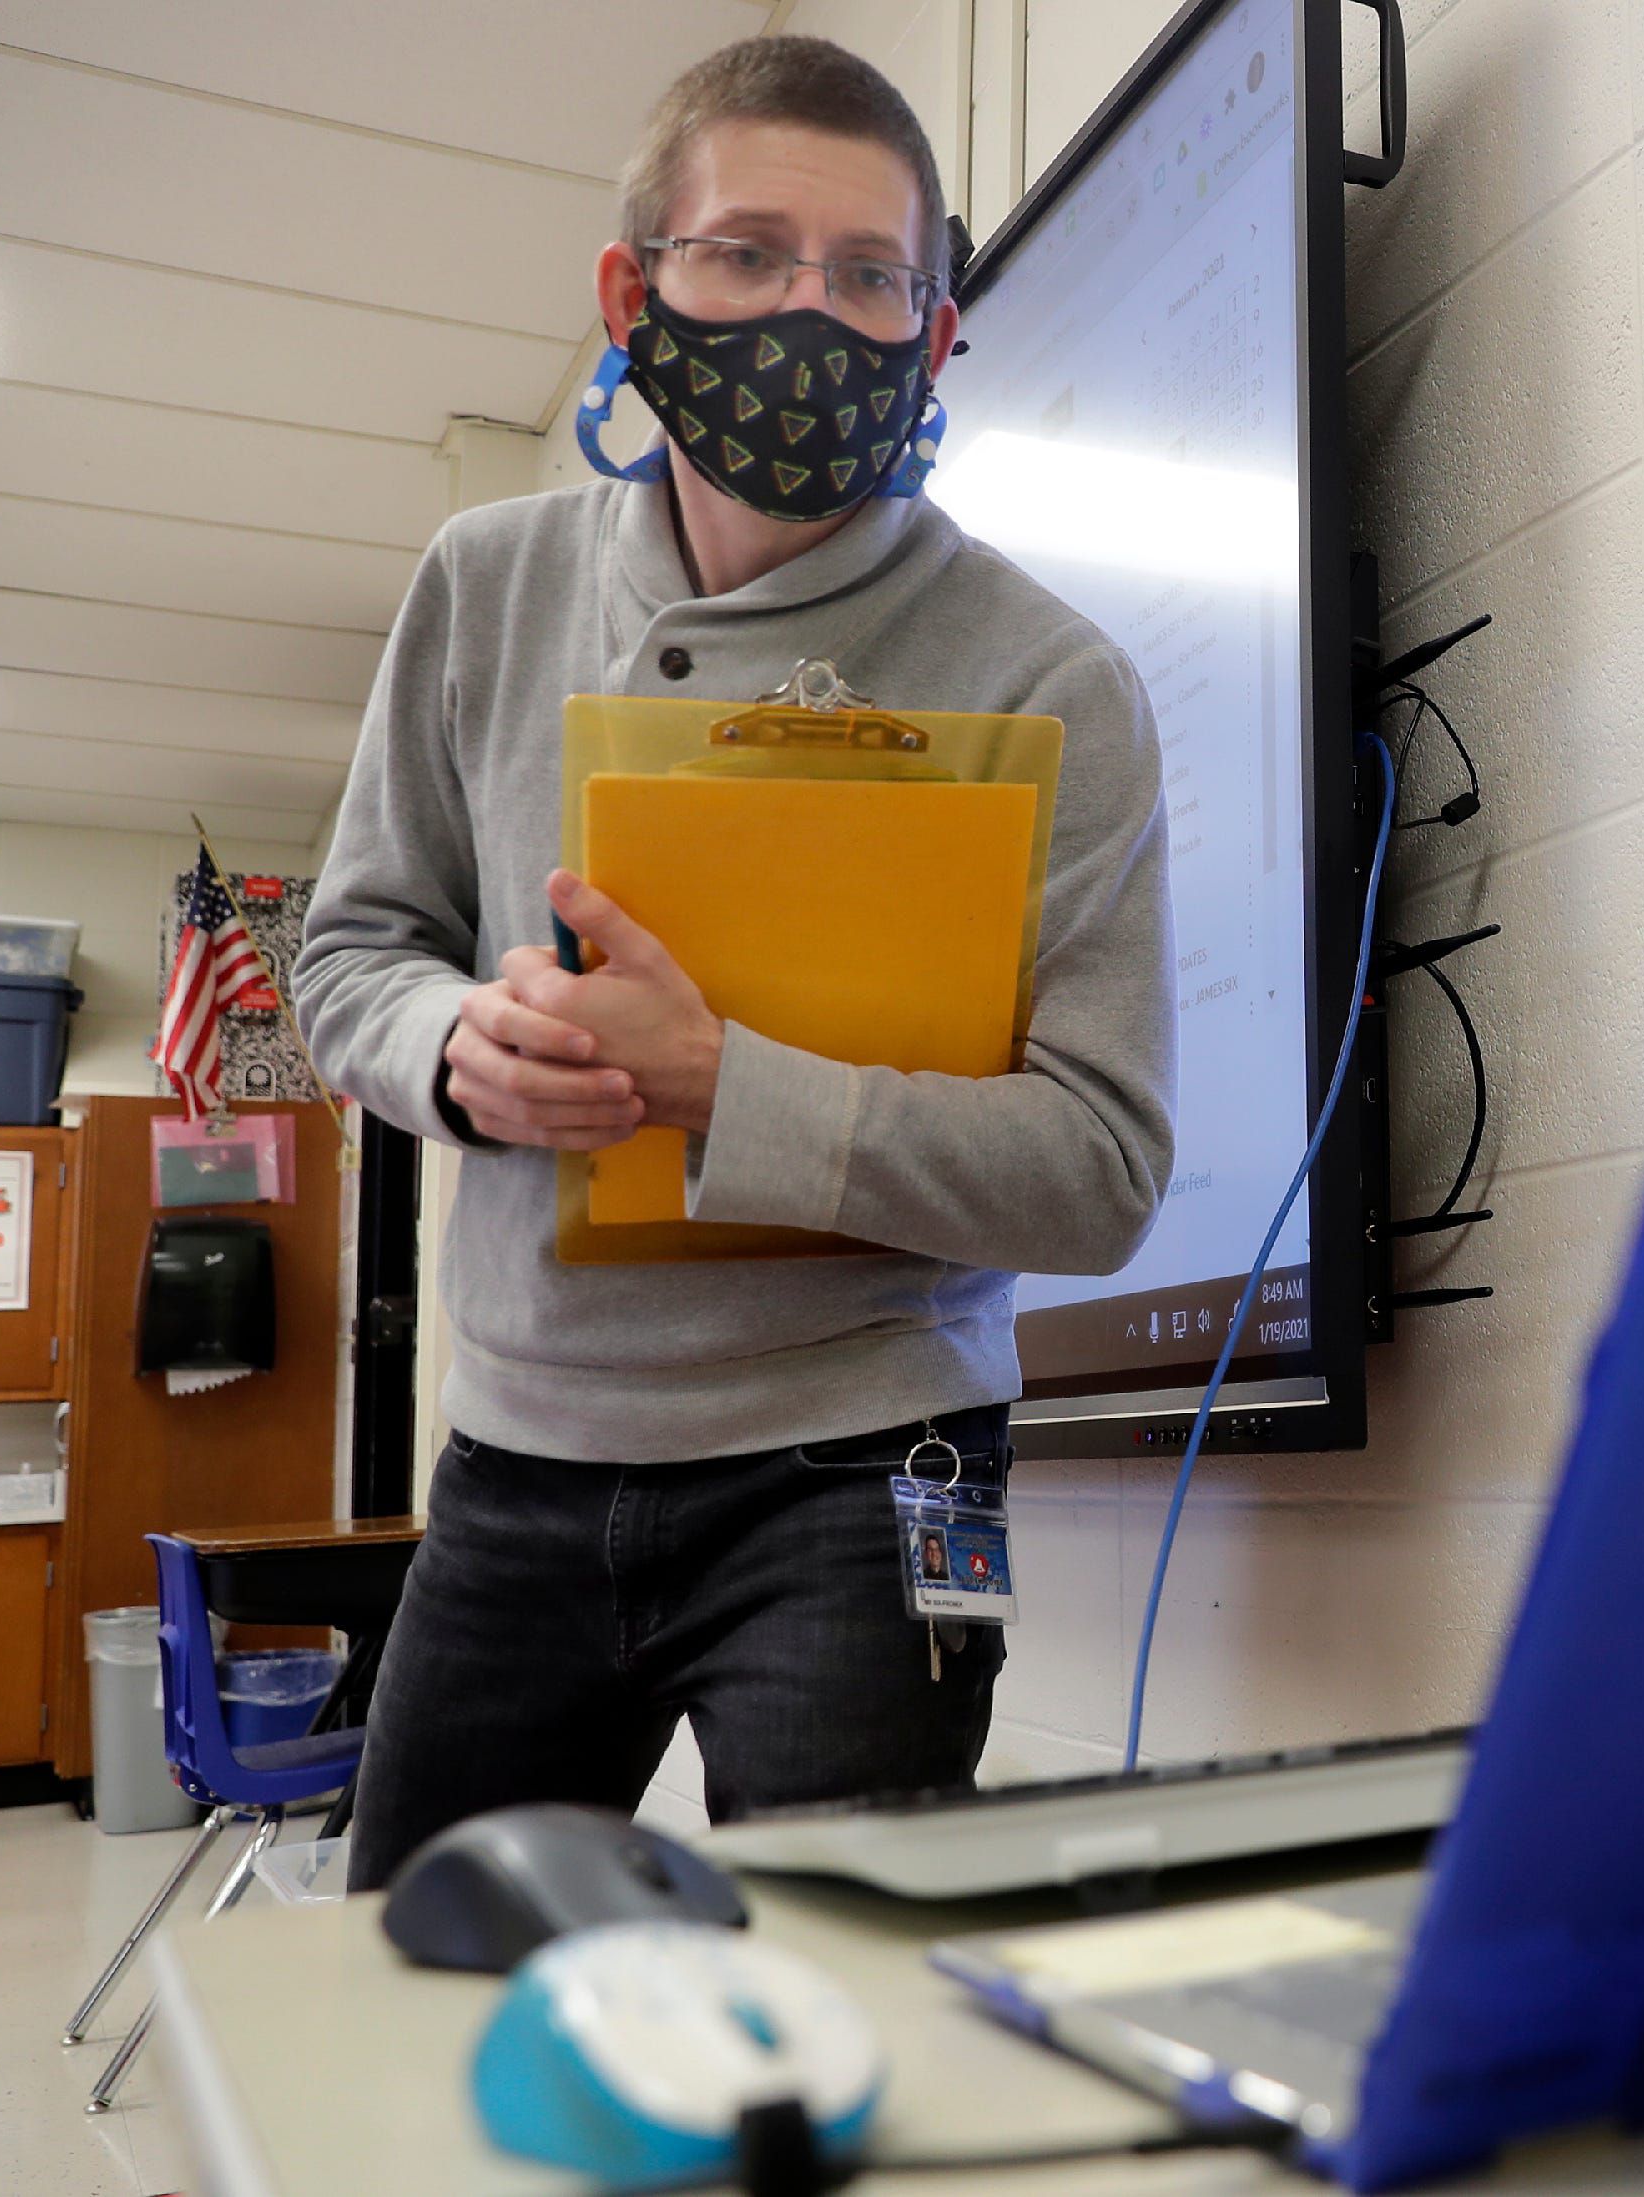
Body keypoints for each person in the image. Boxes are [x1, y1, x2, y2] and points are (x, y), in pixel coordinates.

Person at [297, 37, 1176, 1890]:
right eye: (748, 254)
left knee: (843, 2022)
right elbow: (350, 956)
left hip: (876, 1462)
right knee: (418, 1993)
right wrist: (459, 1042)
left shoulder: (1051, 675)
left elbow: (1101, 1171)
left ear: (938, 338)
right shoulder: (487, 583)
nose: (813, 312)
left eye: (872, 275)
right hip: (520, 1454)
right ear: (637, 294)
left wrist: (724, 1087)